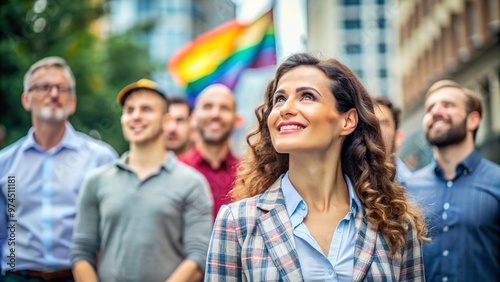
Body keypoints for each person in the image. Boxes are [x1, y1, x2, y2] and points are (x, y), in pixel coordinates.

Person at [205, 53, 428, 281]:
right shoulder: (238, 222)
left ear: (347, 121)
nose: (285, 109)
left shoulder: (395, 225)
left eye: (307, 97)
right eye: (279, 99)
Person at [71, 79, 213, 282]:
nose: (136, 116)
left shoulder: (192, 183)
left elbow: (199, 256)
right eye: (129, 110)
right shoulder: (97, 180)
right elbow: (81, 252)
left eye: (146, 109)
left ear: (165, 121)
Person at [0, 56, 117, 281]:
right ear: (26, 99)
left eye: (62, 89)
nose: (54, 94)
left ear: (72, 102)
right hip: (18, 275)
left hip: (77, 276)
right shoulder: (5, 163)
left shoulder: (101, 158)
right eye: (44, 87)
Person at [405, 80, 500, 282]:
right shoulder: (408, 188)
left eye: (448, 105)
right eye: (430, 108)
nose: (436, 112)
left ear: (473, 120)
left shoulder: (497, 181)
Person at [179, 84, 241, 219]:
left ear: (237, 120)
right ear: (193, 118)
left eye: (224, 108)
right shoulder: (175, 170)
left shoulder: (250, 174)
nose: (215, 114)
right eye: (207, 107)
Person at [373, 96, 413, 183]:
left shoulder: (413, 186)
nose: (377, 128)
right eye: (371, 122)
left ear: (398, 137)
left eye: (384, 123)